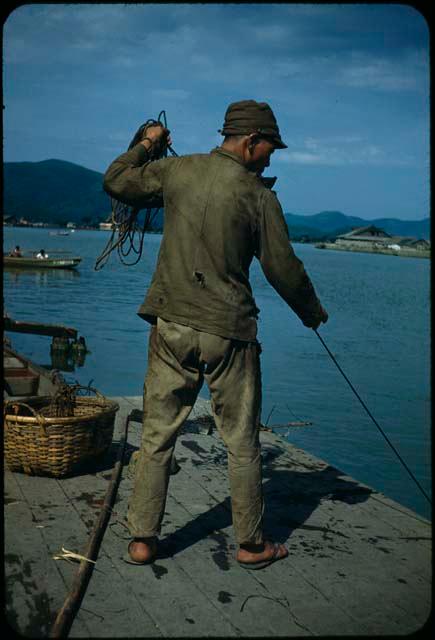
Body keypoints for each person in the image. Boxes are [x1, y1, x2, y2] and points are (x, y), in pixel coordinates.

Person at [103, 99, 328, 570]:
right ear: (250, 142)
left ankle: (142, 541)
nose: (270, 157)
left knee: (157, 437)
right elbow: (283, 271)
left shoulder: (176, 172)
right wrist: (312, 312)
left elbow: (117, 181)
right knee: (242, 441)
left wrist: (148, 143)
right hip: (229, 333)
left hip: (171, 325)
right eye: (270, 148)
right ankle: (250, 546)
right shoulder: (259, 197)